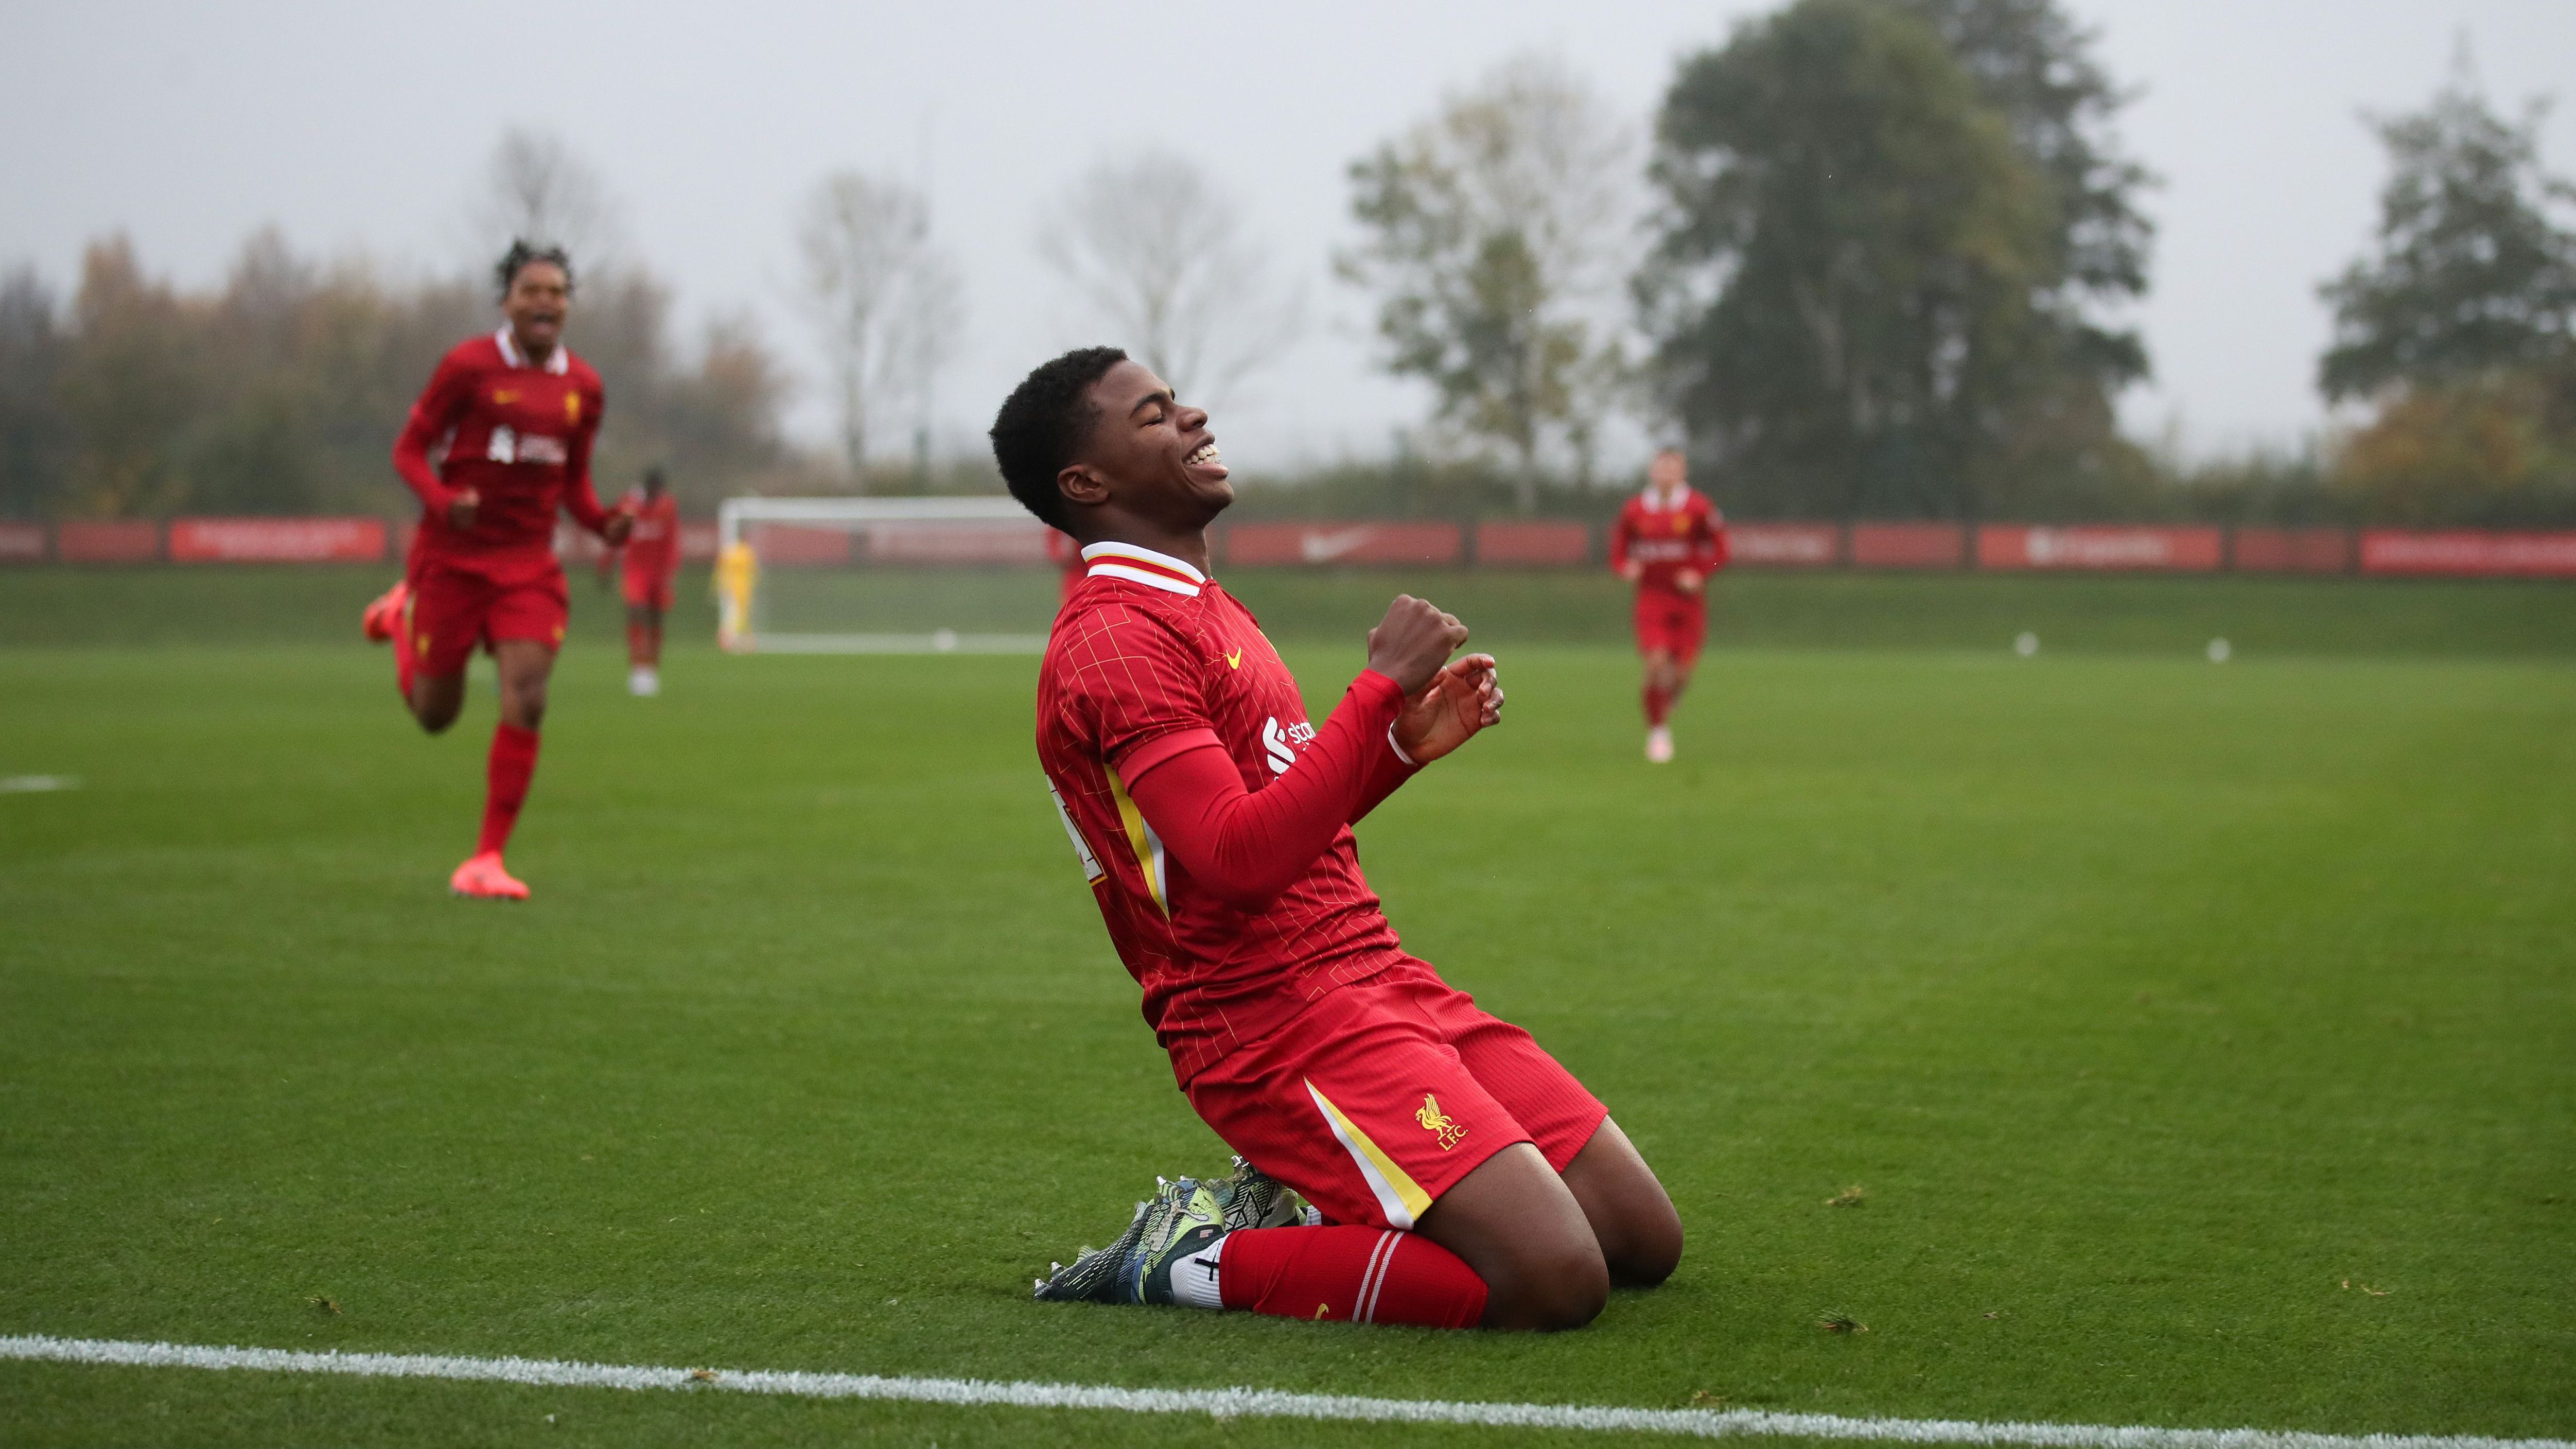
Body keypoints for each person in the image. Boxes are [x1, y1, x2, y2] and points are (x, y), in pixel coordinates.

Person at [996, 347, 1682, 1331]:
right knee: (1552, 1280)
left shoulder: (1197, 603)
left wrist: (1396, 747)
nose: (1191, 417)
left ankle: (1343, 1193)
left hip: (1373, 974)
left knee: (1639, 1239)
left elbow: (1278, 819)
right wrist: (1370, 695)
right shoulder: (1115, 640)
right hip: (1272, 1021)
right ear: (1086, 483)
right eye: (1152, 416)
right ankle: (1191, 1259)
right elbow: (1236, 863)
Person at [359, 241, 632, 899]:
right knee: (434, 716)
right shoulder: (467, 367)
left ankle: (487, 859)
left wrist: (602, 524)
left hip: (529, 566)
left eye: (557, 292)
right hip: (453, 560)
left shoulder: (584, 387)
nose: (545, 302)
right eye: (531, 291)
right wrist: (444, 503)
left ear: (569, 305)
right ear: (506, 302)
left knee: (529, 696)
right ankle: (400, 618)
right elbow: (408, 451)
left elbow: (574, 484)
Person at [1608, 448, 1728, 763]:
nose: (1665, 474)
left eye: (1672, 469)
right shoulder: (1635, 510)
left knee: (1682, 675)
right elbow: (1619, 552)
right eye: (1660, 468)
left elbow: (1721, 550)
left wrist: (1700, 573)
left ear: (1682, 472)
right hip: (1652, 600)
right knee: (1657, 663)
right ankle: (1658, 733)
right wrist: (1625, 568)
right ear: (1652, 471)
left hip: (1689, 604)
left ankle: (1668, 699)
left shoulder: (1699, 507)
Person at [620, 467, 681, 695]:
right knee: (636, 611)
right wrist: (605, 563)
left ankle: (652, 668)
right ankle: (638, 669)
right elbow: (617, 531)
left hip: (660, 571)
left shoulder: (668, 507)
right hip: (635, 570)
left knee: (656, 618)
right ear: (649, 488)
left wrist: (671, 571)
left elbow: (672, 539)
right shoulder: (630, 504)